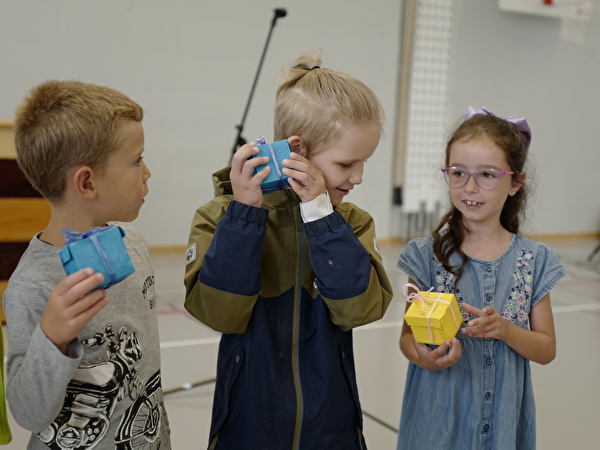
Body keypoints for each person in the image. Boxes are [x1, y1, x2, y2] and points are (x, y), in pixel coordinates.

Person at [184, 52, 394, 449]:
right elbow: (217, 313)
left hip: (331, 426)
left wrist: (321, 217)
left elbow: (361, 309)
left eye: (364, 163)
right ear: (296, 149)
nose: (359, 177)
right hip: (247, 425)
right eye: (347, 163)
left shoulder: (351, 223)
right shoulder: (220, 217)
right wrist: (245, 218)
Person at [3, 80, 171, 449]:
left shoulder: (136, 246)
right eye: (137, 160)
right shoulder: (33, 286)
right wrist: (52, 338)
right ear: (87, 183)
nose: (147, 173)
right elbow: (27, 413)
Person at [396, 106, 566, 450]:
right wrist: (422, 357)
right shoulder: (425, 255)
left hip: (501, 426)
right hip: (436, 422)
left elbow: (546, 349)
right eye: (458, 173)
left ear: (515, 182)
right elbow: (407, 338)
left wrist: (506, 330)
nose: (469, 188)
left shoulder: (534, 259)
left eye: (487, 175)